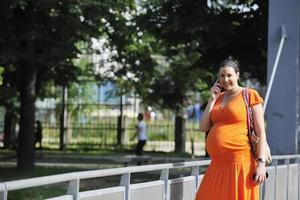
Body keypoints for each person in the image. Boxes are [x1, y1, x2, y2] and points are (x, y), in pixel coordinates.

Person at [195, 57, 267, 200]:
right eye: (221, 76)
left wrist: (261, 164)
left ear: (237, 75)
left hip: (240, 163)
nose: (225, 79)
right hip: (217, 164)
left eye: (229, 75)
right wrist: (212, 99)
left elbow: (261, 132)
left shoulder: (250, 95)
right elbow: (203, 127)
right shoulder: (218, 98)